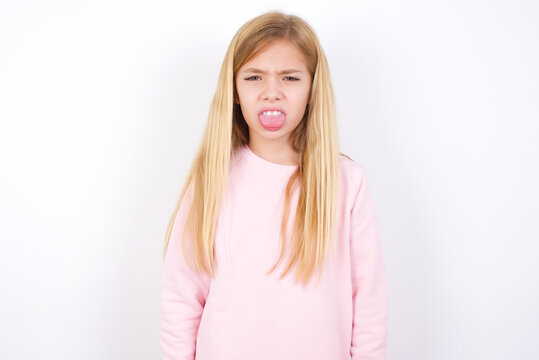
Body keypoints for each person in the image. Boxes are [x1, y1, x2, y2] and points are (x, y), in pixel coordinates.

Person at [160, 10, 388, 360]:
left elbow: (368, 303)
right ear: (234, 90)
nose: (271, 93)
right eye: (254, 77)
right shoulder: (211, 180)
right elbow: (182, 299)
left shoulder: (347, 183)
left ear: (312, 89)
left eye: (290, 78)